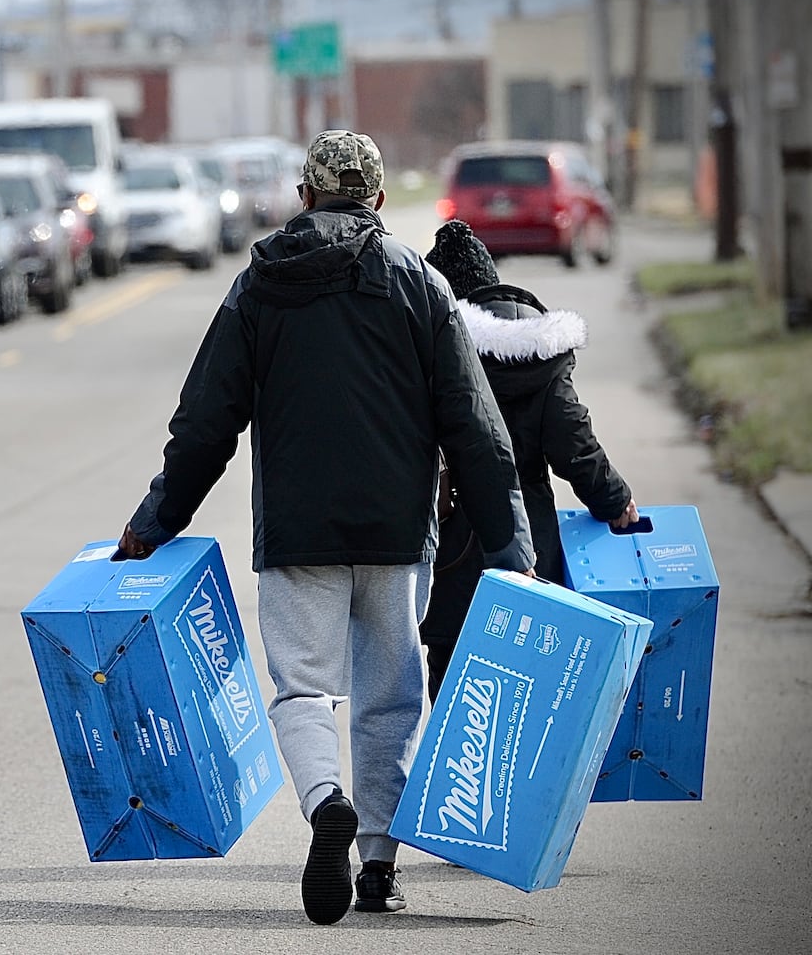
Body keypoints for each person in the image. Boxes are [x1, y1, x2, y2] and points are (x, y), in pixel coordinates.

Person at [111, 131, 534, 925]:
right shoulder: (418, 282)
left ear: (303, 197)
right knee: (391, 697)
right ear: (377, 200)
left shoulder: (260, 283)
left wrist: (155, 521)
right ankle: (377, 865)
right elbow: (475, 426)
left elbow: (207, 423)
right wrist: (512, 548)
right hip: (398, 533)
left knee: (303, 688)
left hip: (298, 531)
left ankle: (324, 801)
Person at [421, 220, 638, 701]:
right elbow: (574, 444)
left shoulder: (432, 349)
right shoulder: (541, 356)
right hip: (530, 548)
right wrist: (614, 499)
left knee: (454, 691)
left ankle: (460, 775)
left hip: (452, 547)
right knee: (530, 689)